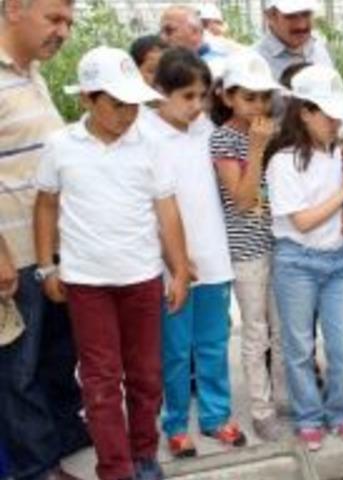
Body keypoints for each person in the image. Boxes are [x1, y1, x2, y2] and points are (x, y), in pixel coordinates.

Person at [33, 46, 192, 480]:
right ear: (86, 98)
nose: (127, 115)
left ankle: (143, 454)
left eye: (134, 104)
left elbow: (167, 209)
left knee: (147, 376)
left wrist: (178, 268)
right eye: (116, 104)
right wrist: (47, 266)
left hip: (141, 278)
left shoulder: (150, 145)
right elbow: (46, 205)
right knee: (101, 383)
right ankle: (115, 468)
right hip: (86, 284)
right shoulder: (61, 146)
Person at [138, 47, 245, 458]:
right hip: (172, 266)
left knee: (214, 344)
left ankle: (217, 417)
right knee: (176, 350)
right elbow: (151, 205)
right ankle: (177, 423)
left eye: (202, 96)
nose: (197, 106)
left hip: (214, 258)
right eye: (187, 97)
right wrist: (176, 262)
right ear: (159, 91)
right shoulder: (143, 134)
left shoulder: (206, 130)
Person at [0, 1, 90, 479]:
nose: (63, 32)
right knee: (20, 369)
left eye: (69, 23)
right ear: (15, 8)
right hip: (13, 260)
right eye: (54, 19)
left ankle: (65, 432)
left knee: (58, 353)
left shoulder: (30, 73)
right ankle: (38, 467)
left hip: (51, 252)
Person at [265, 64, 343, 452]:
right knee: (299, 348)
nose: (335, 121)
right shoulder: (283, 161)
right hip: (296, 263)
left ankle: (338, 411)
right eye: (327, 112)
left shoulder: (337, 152)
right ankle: (309, 417)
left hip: (337, 261)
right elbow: (303, 221)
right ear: (304, 112)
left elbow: (324, 210)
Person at [209, 49, 287, 443]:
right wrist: (256, 147)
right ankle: (261, 409)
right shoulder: (224, 139)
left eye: (264, 96)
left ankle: (283, 397)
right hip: (247, 250)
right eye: (249, 97)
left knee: (281, 328)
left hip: (279, 242)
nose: (259, 104)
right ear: (227, 97)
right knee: (255, 331)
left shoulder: (269, 131)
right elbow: (240, 199)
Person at [255, 0, 333, 82]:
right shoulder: (255, 61)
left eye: (306, 14)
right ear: (270, 17)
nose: (301, 25)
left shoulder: (319, 50)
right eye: (291, 16)